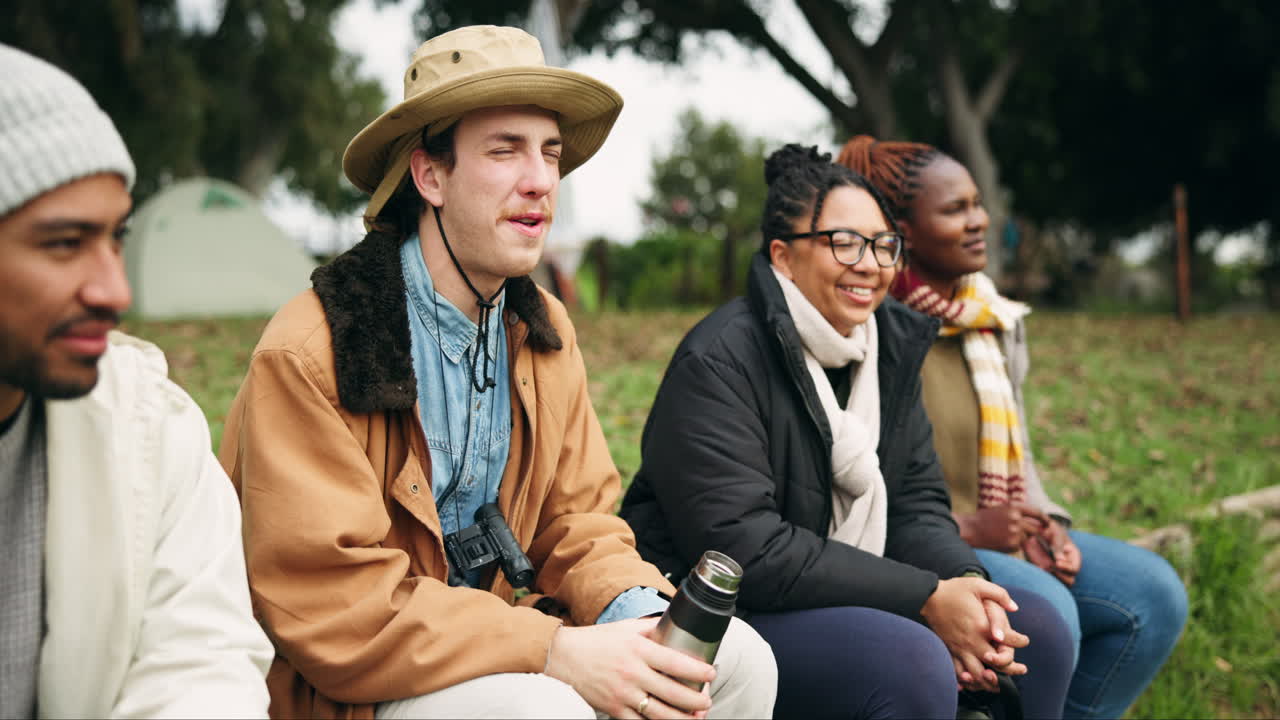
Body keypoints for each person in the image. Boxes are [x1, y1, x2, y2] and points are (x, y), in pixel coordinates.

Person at [218, 25, 776, 720]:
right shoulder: (314, 348)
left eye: (549, 152)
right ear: (431, 176)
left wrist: (638, 617)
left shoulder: (540, 324)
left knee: (736, 661)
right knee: (543, 713)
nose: (541, 180)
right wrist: (551, 649)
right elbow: (336, 603)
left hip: (501, 637)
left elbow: (578, 523)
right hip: (353, 681)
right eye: (505, 150)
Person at [620, 144, 1074, 719]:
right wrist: (926, 599)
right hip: (723, 610)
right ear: (783, 258)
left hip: (841, 582)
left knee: (1038, 633)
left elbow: (916, 504)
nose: (870, 264)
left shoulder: (888, 350)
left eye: (884, 246)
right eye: (844, 242)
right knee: (908, 663)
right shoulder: (720, 359)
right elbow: (743, 547)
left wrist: (963, 586)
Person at [838, 134, 1189, 720]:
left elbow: (1016, 449)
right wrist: (971, 527)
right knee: (1051, 614)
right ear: (900, 229)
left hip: (999, 529)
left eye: (977, 204)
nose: (979, 222)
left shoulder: (992, 319)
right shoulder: (869, 328)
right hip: (915, 541)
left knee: (1152, 593)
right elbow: (857, 487)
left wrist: (1046, 523)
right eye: (955, 210)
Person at [0, 44, 272, 718]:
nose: (115, 291)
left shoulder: (152, 430)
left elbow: (205, 671)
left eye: (117, 237)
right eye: (65, 243)